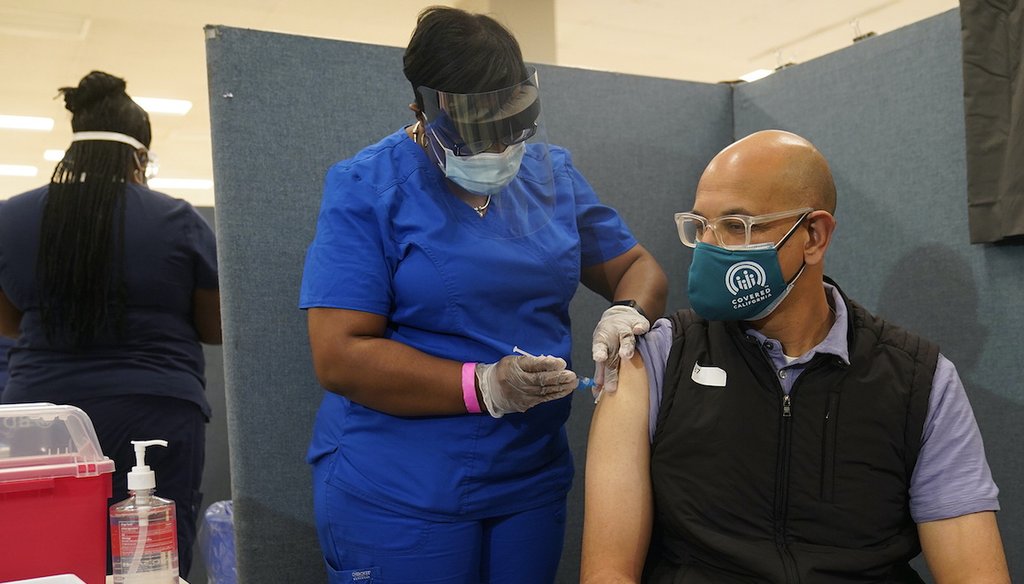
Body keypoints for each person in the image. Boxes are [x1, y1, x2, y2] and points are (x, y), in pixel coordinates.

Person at [299, 6, 667, 583]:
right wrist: (485, 385)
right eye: (478, 130)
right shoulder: (369, 187)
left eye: (511, 123)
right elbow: (339, 352)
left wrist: (627, 313)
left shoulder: (551, 174)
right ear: (421, 107)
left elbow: (638, 267)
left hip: (529, 481)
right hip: (402, 487)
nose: (499, 146)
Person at [581, 130, 1011, 583]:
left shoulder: (920, 383)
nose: (710, 248)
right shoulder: (656, 359)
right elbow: (607, 573)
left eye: (736, 226)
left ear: (813, 236)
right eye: (700, 226)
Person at [0, 71, 221, 578]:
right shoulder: (176, 219)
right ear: (138, 157)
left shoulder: (12, 218)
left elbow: (8, 323)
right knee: (153, 556)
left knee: (42, 555)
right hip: (155, 409)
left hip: (39, 416)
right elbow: (214, 327)